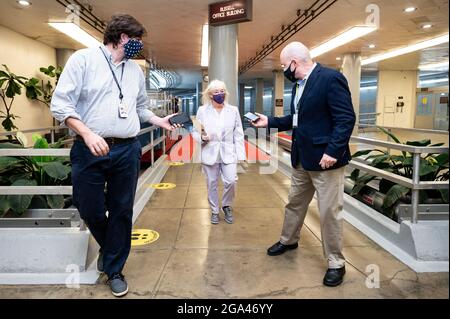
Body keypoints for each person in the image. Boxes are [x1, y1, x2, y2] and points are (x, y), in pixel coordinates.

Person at [50, 14, 179, 297]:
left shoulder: (134, 72)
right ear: (122, 37)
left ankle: (114, 268)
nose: (139, 46)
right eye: (137, 41)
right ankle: (111, 251)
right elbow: (60, 105)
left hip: (126, 148)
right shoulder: (83, 60)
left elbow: (141, 108)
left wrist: (159, 121)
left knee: (122, 210)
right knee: (89, 207)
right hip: (90, 147)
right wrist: (86, 133)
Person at [252, 41, 356, 287]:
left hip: (326, 161)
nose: (283, 69)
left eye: (283, 65)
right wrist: (270, 121)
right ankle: (288, 240)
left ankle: (335, 262)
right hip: (302, 158)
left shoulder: (330, 79)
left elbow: (345, 118)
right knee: (294, 203)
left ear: (295, 63)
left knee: (329, 212)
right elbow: (298, 120)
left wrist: (333, 151)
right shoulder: (299, 86)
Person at [192, 80, 246, 225]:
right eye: (216, 92)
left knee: (231, 181)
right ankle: (215, 210)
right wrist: (202, 138)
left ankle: (226, 205)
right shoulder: (202, 111)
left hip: (229, 152)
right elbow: (195, 131)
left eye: (222, 91)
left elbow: (238, 133)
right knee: (212, 183)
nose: (219, 94)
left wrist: (241, 155)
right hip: (210, 151)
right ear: (210, 95)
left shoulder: (233, 110)